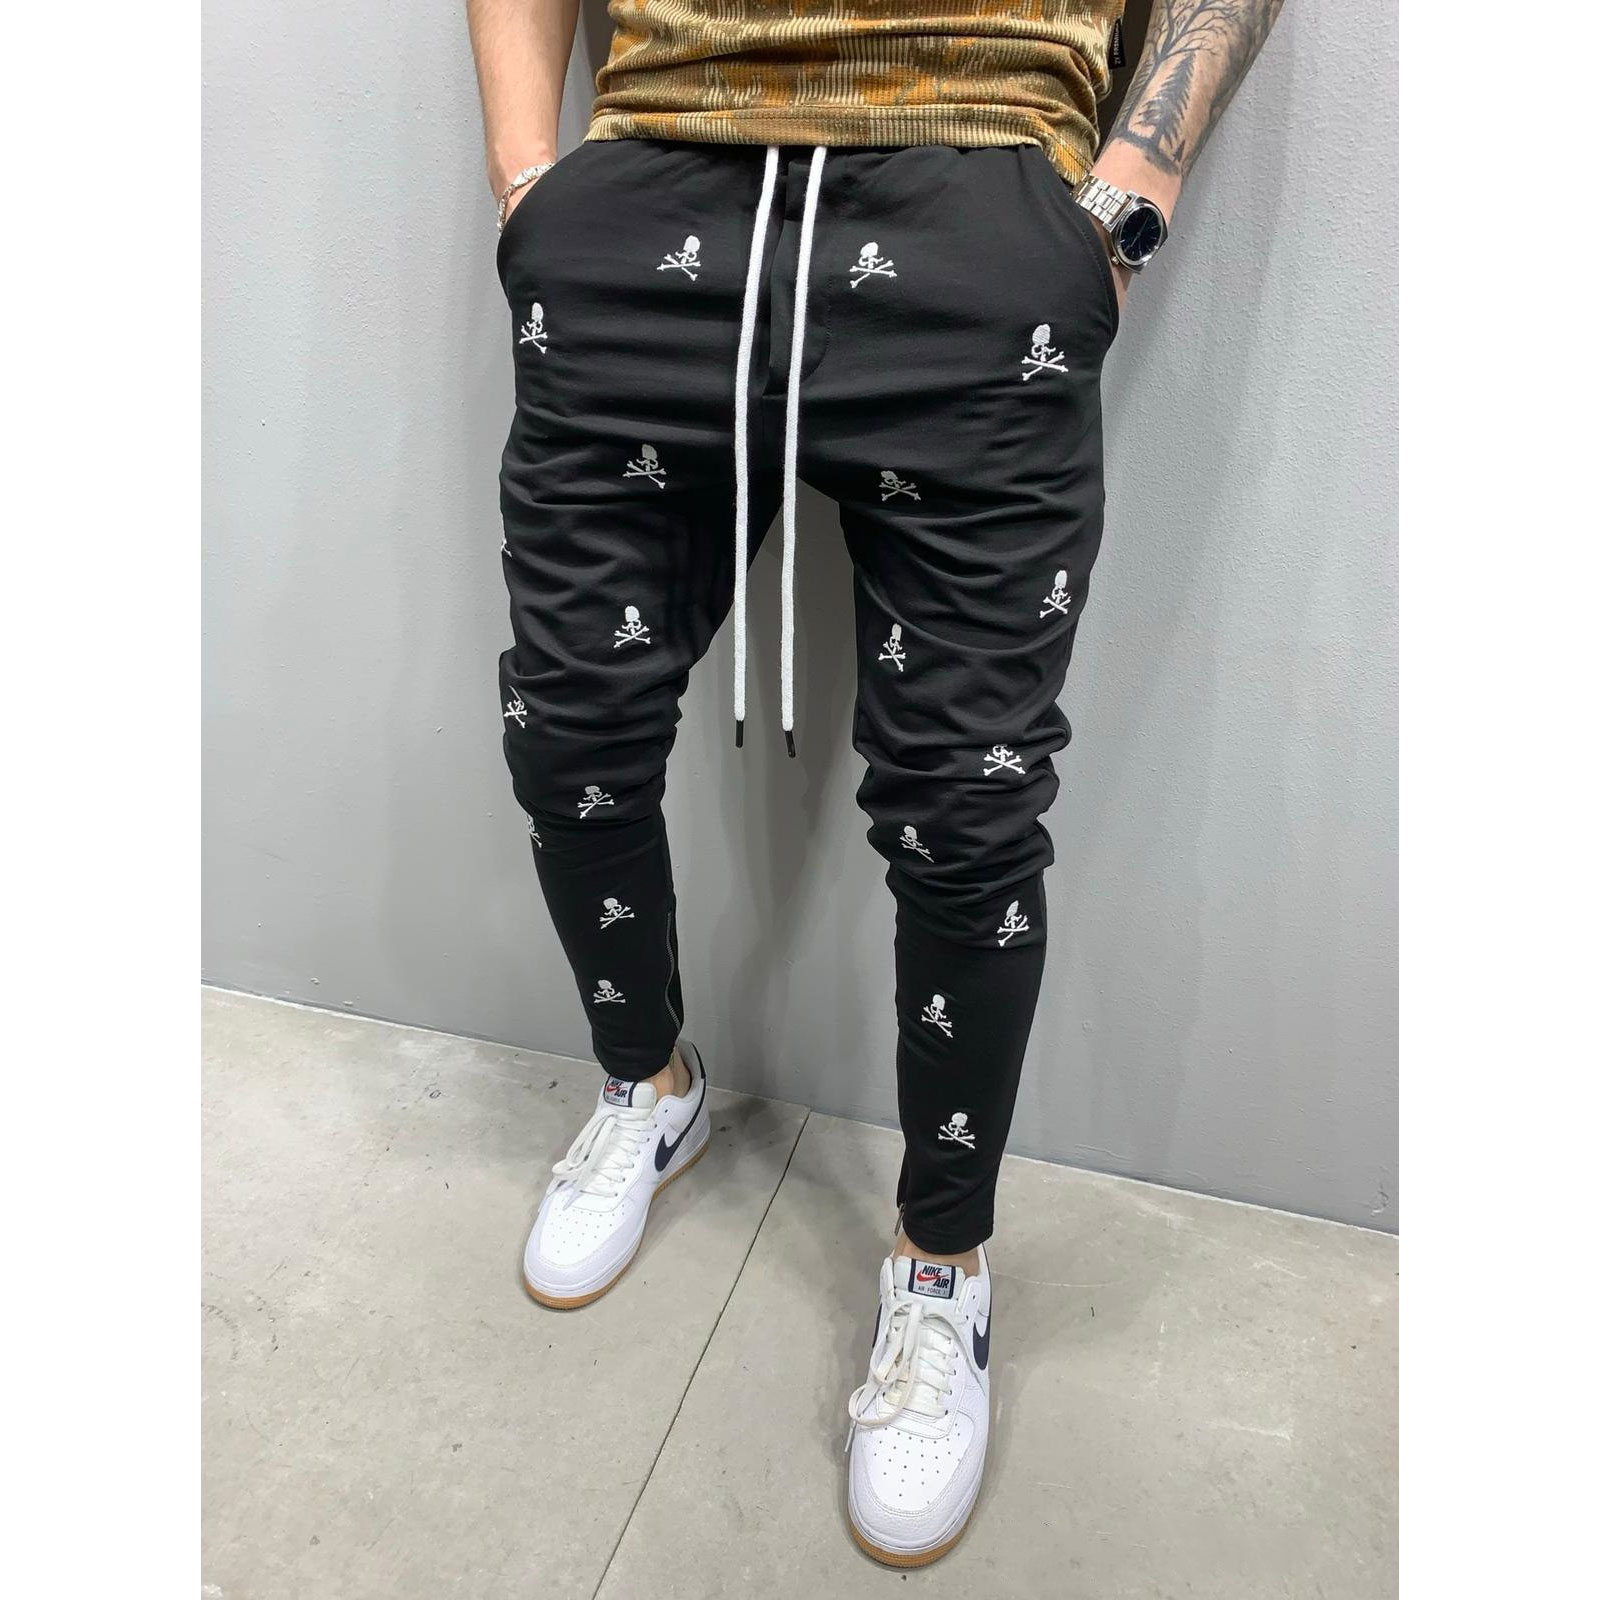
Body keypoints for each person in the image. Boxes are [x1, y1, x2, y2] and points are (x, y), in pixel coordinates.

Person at [467, 0, 1283, 1567]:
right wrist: (526, 184)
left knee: (968, 803)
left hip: (979, 200)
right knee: (566, 720)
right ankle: (649, 1086)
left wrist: (1123, 201)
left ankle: (940, 1262)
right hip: (651, 196)